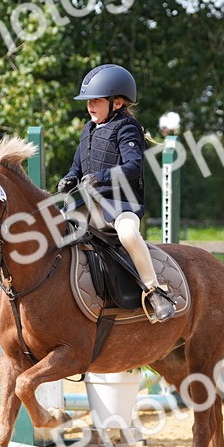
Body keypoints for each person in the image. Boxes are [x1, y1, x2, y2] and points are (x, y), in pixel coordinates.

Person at [57, 64, 175, 323]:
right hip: (90, 205)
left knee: (129, 234)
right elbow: (77, 166)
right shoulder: (88, 129)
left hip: (121, 205)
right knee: (47, 227)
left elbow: (133, 167)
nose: (90, 106)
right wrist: (69, 179)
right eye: (88, 101)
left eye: (96, 100)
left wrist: (100, 178)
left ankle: (154, 291)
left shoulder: (127, 128)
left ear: (117, 103)